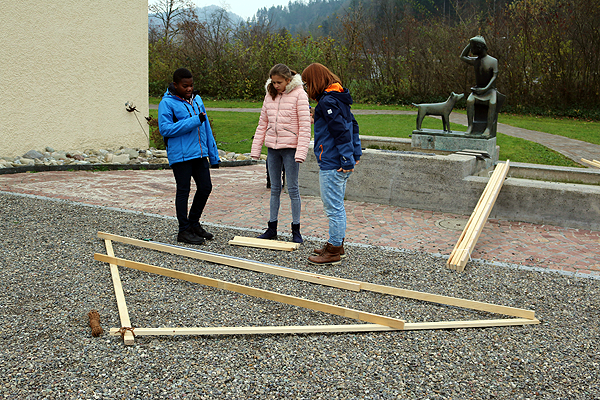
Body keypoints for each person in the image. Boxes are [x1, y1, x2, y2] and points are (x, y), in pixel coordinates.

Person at [301, 63, 362, 265]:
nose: (306, 87)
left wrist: (347, 159)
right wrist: (355, 152)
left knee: (333, 208)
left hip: (332, 163)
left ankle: (334, 251)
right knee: (336, 206)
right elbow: (352, 124)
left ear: (315, 81)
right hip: (338, 161)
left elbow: (340, 131)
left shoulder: (328, 101)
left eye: (307, 83)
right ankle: (337, 245)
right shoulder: (337, 97)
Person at [158, 68, 220, 245]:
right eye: (185, 86)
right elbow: (165, 129)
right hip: (181, 156)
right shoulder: (166, 103)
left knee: (205, 187)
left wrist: (213, 155)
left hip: (199, 154)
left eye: (191, 85)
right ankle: (183, 230)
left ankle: (193, 223)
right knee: (183, 190)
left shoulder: (197, 100)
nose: (189, 88)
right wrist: (194, 121)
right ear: (175, 85)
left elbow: (206, 128)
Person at [251, 64, 311, 243]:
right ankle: (272, 228)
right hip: (273, 149)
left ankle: (296, 230)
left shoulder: (300, 94)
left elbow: (305, 126)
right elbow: (262, 123)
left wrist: (301, 152)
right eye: (273, 82)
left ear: (288, 80)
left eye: (279, 82)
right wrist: (255, 150)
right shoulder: (270, 94)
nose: (276, 85)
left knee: (292, 189)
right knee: (275, 188)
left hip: (290, 149)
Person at [460, 35, 498, 135]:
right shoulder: (475, 61)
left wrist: (485, 89)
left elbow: (494, 77)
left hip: (489, 90)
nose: (471, 50)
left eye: (473, 48)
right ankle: (470, 126)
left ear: (480, 48)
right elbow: (462, 56)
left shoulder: (493, 61)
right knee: (469, 100)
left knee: (493, 103)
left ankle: (488, 128)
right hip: (478, 90)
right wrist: (470, 43)